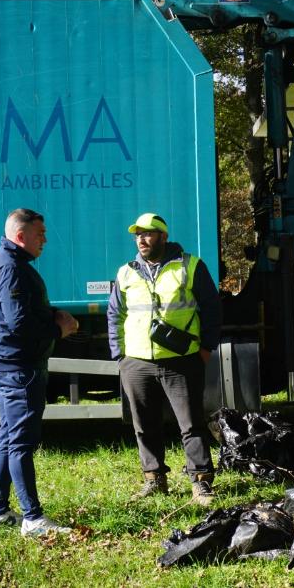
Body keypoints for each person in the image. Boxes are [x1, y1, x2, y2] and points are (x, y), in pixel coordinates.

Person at [107, 213, 222, 504]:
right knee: (144, 424)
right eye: (138, 235)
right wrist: (119, 356)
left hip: (181, 360)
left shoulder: (190, 265)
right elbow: (115, 315)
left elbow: (212, 309)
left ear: (163, 236)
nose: (141, 240)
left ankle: (200, 481)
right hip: (137, 362)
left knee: (191, 423)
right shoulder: (126, 272)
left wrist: (206, 348)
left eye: (148, 234)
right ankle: (155, 478)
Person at [0, 208, 79, 537]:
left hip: (8, 364)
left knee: (8, 438)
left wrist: (53, 313)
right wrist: (58, 329)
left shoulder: (10, 263)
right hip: (18, 367)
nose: (46, 240)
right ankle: (33, 519)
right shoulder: (12, 269)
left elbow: (20, 312)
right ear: (20, 236)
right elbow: (19, 324)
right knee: (21, 442)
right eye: (40, 235)